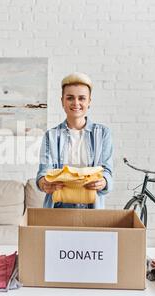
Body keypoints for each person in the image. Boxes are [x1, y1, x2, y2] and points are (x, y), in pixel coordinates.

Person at [36, 72, 113, 209]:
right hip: (58, 208)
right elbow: (44, 172)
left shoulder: (103, 134)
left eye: (82, 98)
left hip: (92, 209)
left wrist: (104, 182)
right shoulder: (51, 136)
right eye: (70, 98)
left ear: (89, 101)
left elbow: (107, 171)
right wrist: (44, 184)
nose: (76, 103)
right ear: (62, 101)